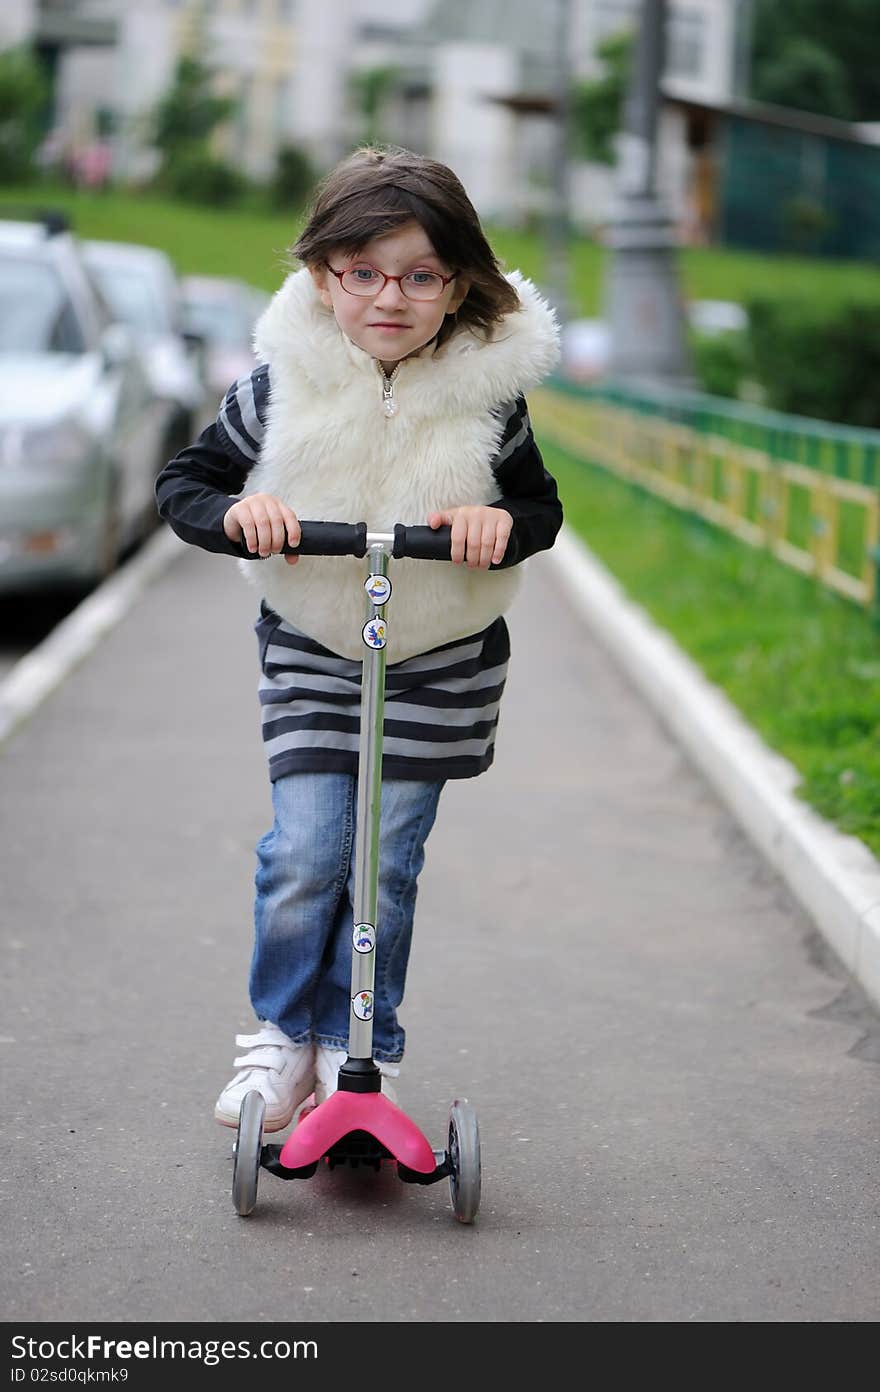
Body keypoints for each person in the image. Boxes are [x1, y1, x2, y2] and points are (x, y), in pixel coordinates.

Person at [155, 145, 563, 1132]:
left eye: (421, 275)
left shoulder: (487, 398)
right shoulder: (277, 386)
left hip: (437, 660)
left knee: (383, 861)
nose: (392, 297)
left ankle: (358, 1046)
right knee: (306, 848)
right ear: (322, 276)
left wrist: (496, 525)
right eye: (365, 273)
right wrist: (237, 517)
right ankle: (283, 1036)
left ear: (459, 283)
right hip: (314, 645)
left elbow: (540, 510)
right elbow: (186, 486)